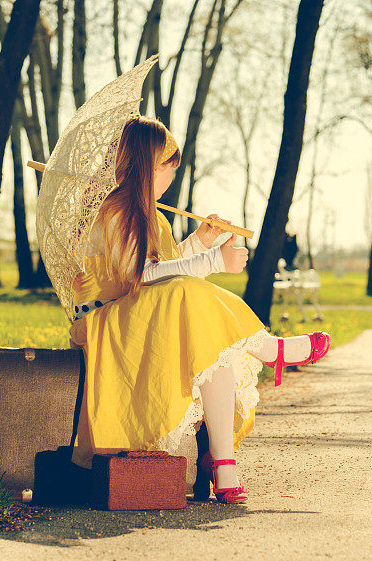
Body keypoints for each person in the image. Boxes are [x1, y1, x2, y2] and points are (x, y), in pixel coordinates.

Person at [68, 115, 330, 504]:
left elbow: (164, 274)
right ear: (143, 166)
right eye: (164, 169)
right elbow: (143, 276)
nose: (169, 179)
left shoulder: (150, 215)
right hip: (106, 320)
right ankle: (272, 350)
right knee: (189, 292)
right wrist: (211, 261)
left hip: (138, 310)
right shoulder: (114, 213)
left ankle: (224, 464)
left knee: (211, 344)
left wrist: (198, 242)